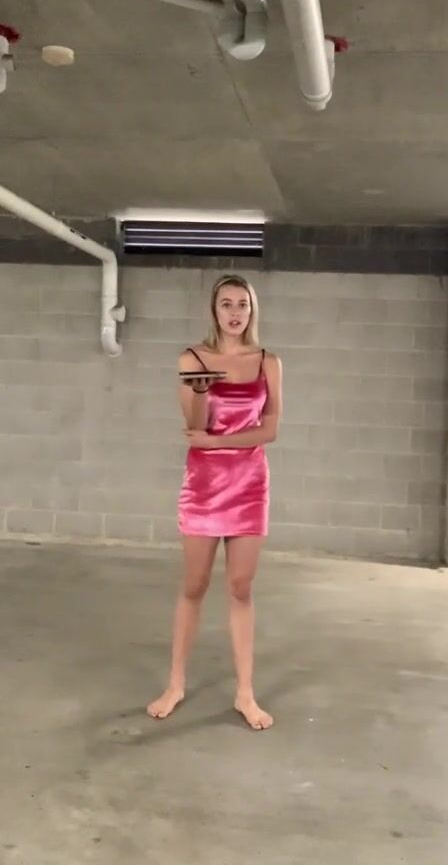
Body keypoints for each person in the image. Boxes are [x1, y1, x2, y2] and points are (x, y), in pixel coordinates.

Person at [147, 274, 282, 730]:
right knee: (194, 585)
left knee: (241, 588)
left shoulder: (268, 362)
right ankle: (175, 684)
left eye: (242, 304)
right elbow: (195, 428)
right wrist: (204, 394)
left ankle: (245, 693)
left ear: (252, 310)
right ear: (214, 310)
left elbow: (270, 429)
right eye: (227, 304)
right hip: (204, 486)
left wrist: (218, 441)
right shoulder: (193, 359)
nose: (235, 312)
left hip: (250, 485)